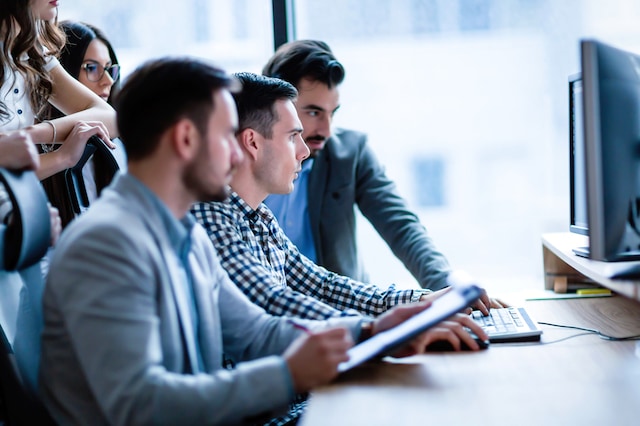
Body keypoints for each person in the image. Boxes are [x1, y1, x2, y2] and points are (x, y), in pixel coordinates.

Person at [40, 57, 447, 426]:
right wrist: (287, 375)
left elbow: (258, 333)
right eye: (225, 138)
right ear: (185, 139)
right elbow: (141, 405)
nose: (237, 158)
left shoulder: (183, 235)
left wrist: (373, 331)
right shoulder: (106, 246)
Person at [191, 72, 489, 343]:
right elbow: (271, 301)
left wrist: (421, 301)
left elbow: (320, 285)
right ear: (253, 143)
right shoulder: (211, 217)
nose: (304, 151)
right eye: (293, 136)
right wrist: (384, 328)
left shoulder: (258, 216)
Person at [262, 40, 499, 296]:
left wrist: (447, 284)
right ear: (277, 107)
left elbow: (401, 225)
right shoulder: (239, 162)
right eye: (313, 113)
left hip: (346, 307)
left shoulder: (350, 152)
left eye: (333, 113)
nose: (327, 130)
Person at [0, 0, 117, 181]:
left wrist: (26, 135)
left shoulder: (33, 53)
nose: (107, 80)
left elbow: (110, 119)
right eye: (91, 67)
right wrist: (61, 158)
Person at [40, 20, 126, 228]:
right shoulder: (33, 154)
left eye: (109, 69)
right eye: (91, 67)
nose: (107, 80)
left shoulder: (119, 147)